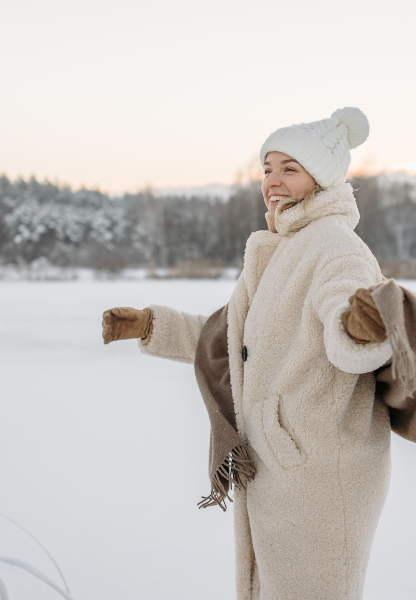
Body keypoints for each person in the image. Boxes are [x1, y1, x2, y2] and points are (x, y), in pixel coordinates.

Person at [102, 107, 394, 600]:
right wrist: (152, 325)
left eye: (289, 169)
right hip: (280, 466)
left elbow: (351, 318)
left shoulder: (333, 246)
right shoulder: (284, 248)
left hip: (321, 473)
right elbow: (235, 341)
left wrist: (357, 327)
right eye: (267, 169)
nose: (272, 181)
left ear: (320, 180)